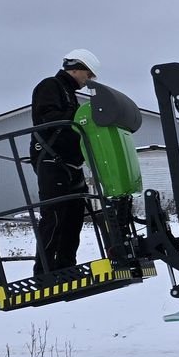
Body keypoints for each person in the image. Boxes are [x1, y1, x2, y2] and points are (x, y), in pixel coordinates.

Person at [31, 49, 101, 277]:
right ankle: (44, 271)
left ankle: (66, 265)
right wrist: (77, 114)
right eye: (88, 74)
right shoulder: (49, 86)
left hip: (72, 164)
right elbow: (47, 118)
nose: (88, 80)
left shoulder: (70, 94)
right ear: (76, 68)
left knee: (74, 217)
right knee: (54, 216)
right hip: (52, 160)